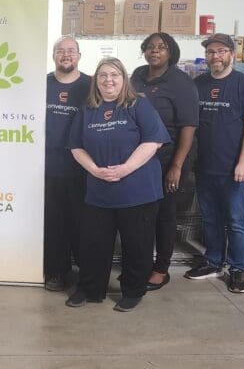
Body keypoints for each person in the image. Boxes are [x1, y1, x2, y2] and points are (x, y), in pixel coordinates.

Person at [66, 57, 170, 312]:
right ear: (96, 81)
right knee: (93, 244)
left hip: (137, 190)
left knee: (137, 245)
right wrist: (94, 170)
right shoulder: (88, 109)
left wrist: (125, 169)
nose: (108, 80)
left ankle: (134, 290)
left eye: (114, 75)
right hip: (100, 191)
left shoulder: (138, 105)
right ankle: (89, 289)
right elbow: (75, 146)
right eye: (102, 75)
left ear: (123, 79)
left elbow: (153, 141)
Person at [188, 33, 244, 293]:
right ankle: (213, 262)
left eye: (220, 51)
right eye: (210, 52)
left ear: (231, 53)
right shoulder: (198, 85)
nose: (215, 56)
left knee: (236, 221)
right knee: (210, 219)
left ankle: (237, 269)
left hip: (234, 169)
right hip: (204, 166)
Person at [129, 32, 198, 291]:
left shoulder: (181, 82)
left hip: (169, 158)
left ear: (171, 53)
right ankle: (142, 262)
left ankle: (161, 269)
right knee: (142, 213)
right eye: (150, 47)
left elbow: (189, 127)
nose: (154, 51)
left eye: (161, 47)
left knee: (164, 214)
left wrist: (177, 166)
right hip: (139, 158)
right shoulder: (137, 76)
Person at [43, 36, 91, 291]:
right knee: (53, 221)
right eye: (61, 51)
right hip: (47, 167)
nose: (66, 55)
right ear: (54, 56)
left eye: (71, 51)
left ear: (79, 56)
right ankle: (56, 272)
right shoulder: (43, 84)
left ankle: (86, 272)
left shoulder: (91, 85)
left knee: (82, 222)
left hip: (83, 168)